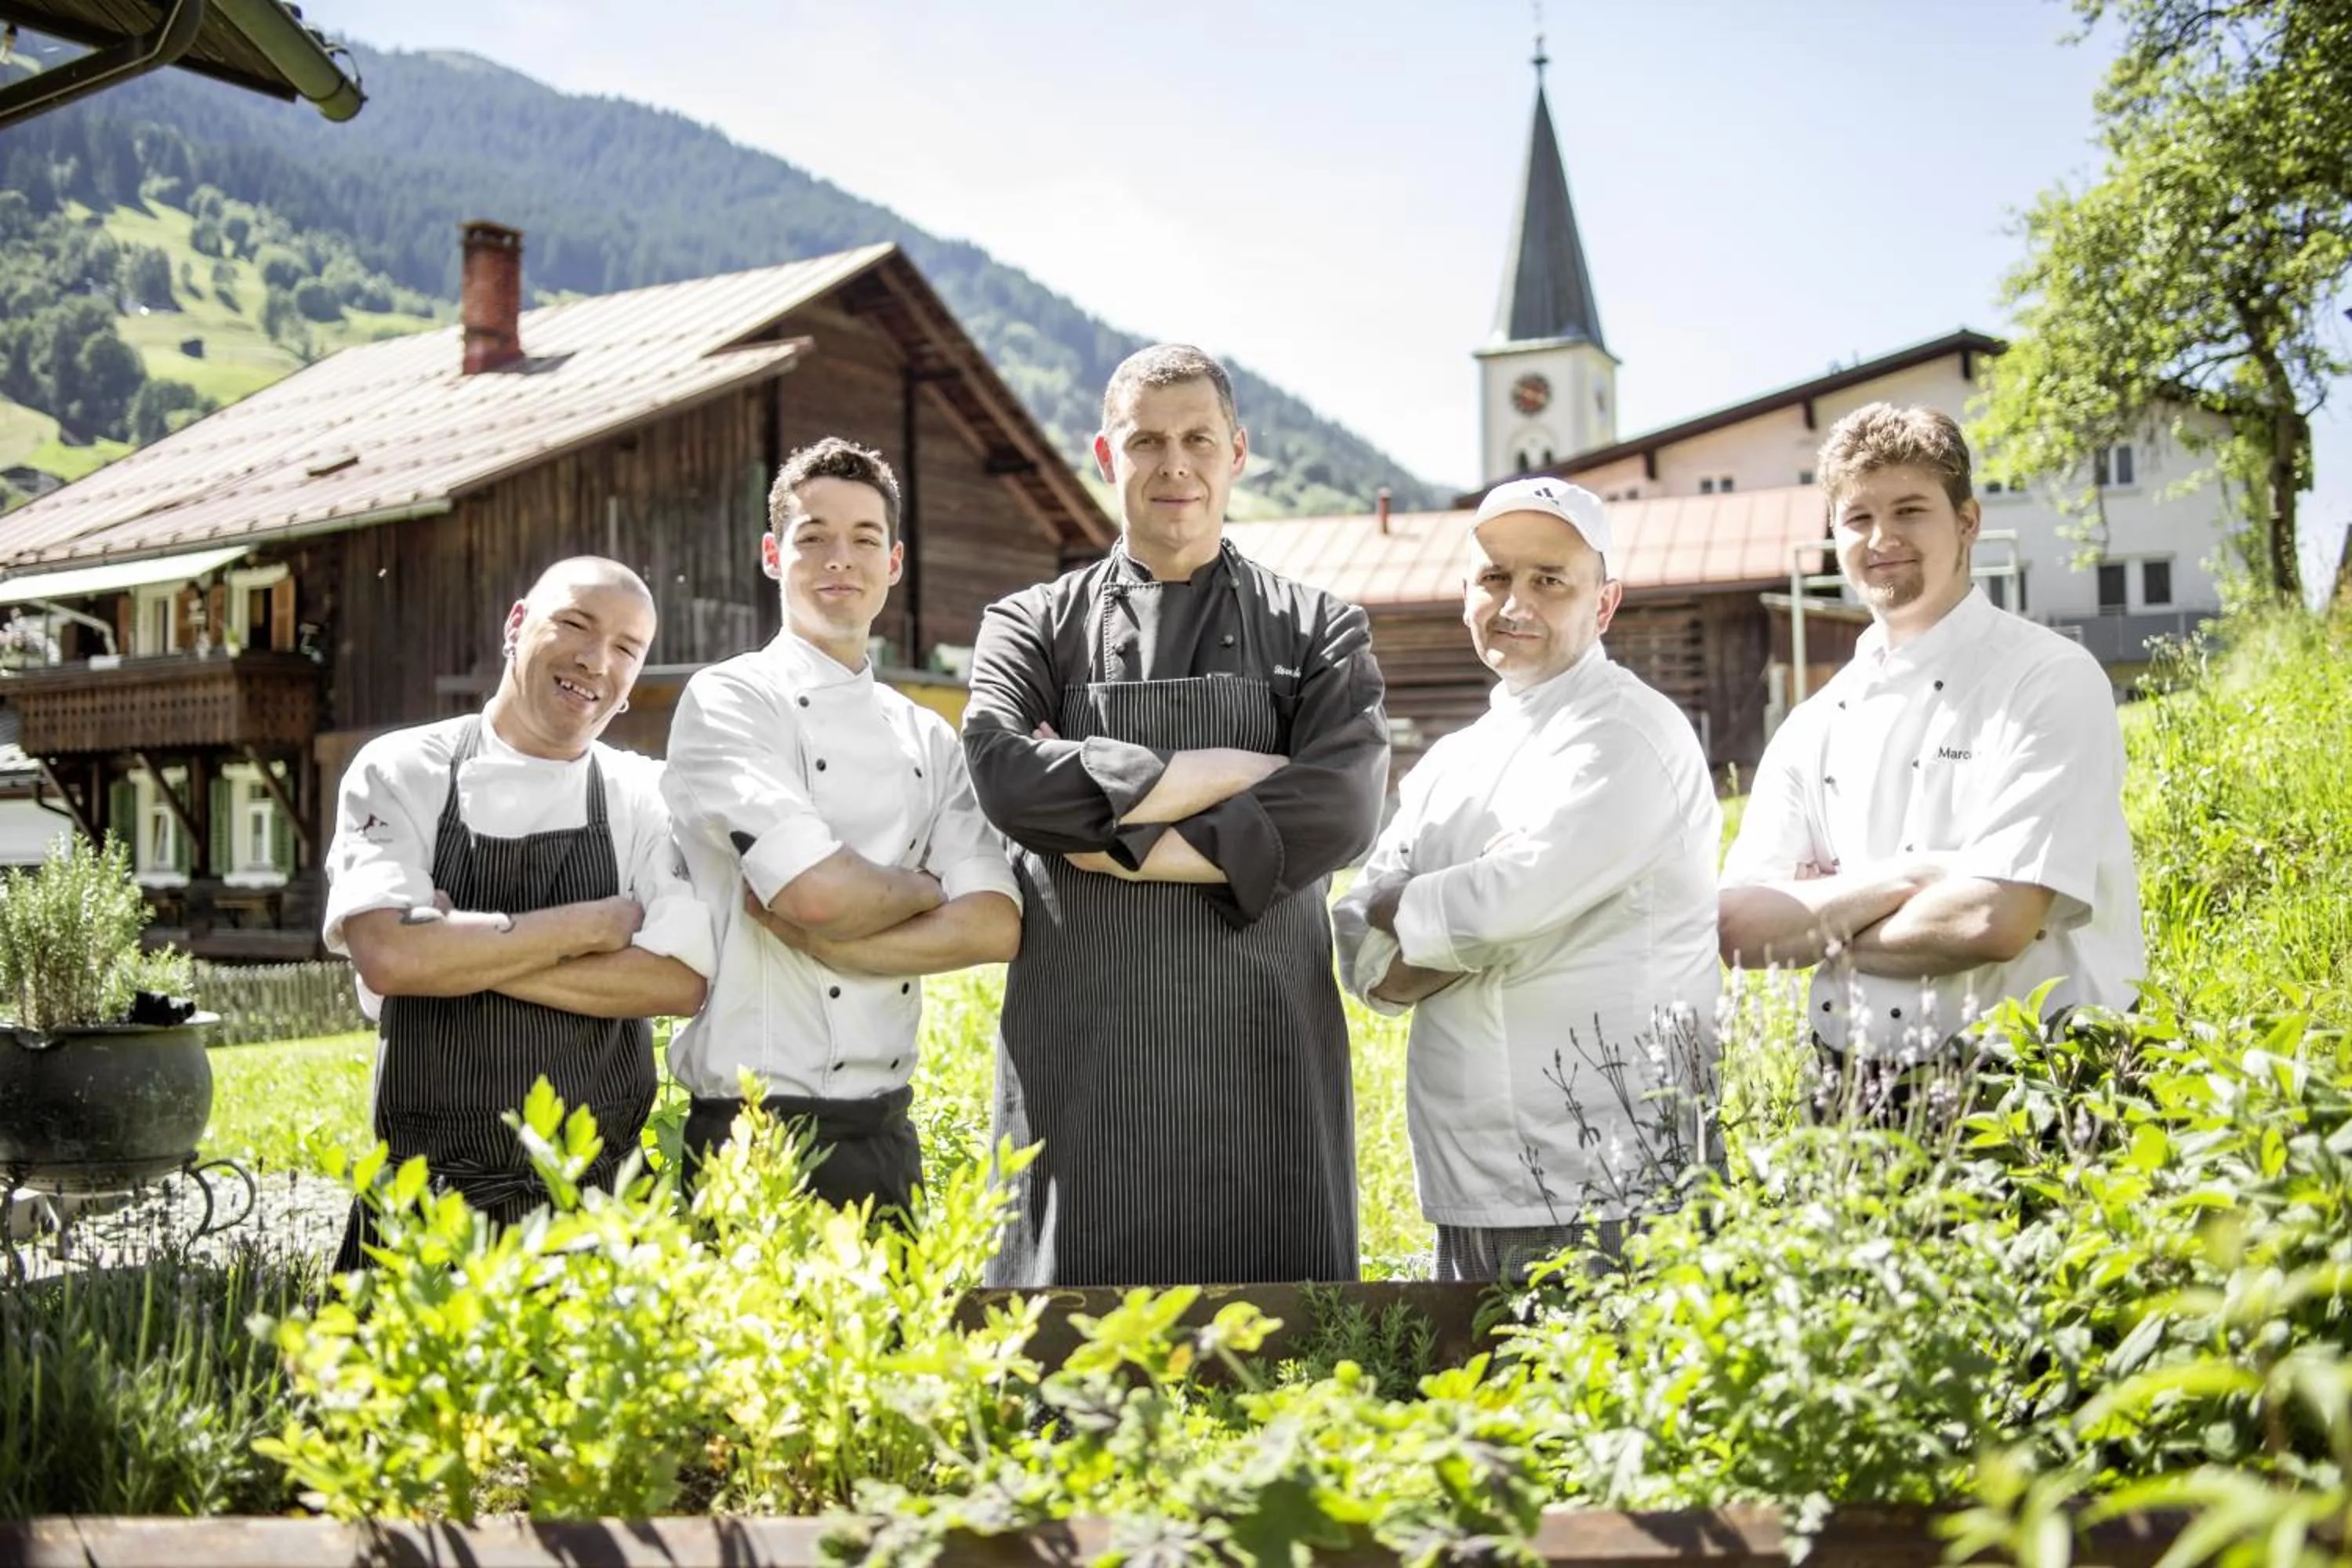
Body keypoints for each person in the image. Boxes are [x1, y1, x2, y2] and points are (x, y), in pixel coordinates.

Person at [962, 343, 1389, 1287]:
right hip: (1083, 1056)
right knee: (1074, 1377)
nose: (1175, 463)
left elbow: (1344, 803)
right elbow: (1007, 776)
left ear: (1238, 452)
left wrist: (1134, 850)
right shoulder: (1030, 623)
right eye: (1146, 440)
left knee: (1286, 1363)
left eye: (1198, 437)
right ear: (1107, 457)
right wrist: (1224, 768)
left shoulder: (1319, 627)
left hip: (1264, 1054)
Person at [1332, 478, 1721, 1283]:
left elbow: (1507, 903)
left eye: (1549, 579)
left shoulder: (1629, 734)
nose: (1515, 600)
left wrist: (1424, 908)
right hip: (1465, 1180)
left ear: (1604, 603)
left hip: (1614, 1179)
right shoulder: (1451, 759)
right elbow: (1359, 944)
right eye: (1493, 577)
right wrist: (1462, 922)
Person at [1718, 403, 2143, 1092]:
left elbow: (1992, 919)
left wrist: (1819, 925)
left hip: (2036, 1086)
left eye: (1910, 510)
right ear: (1835, 534)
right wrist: (1913, 881)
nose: (1882, 537)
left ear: (1967, 521)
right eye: (1858, 518)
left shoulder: (2049, 679)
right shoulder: (1813, 722)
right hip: (1849, 1089)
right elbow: (1740, 929)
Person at [662, 437, 1021, 1215]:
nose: (840, 560)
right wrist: (929, 889)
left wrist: (832, 940)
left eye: (864, 539)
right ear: (772, 554)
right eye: (813, 536)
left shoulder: (927, 734)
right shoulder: (729, 699)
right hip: (749, 1136)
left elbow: (994, 922)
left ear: (893, 563)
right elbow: (814, 891)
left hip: (887, 1134)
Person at [324, 557, 715, 1269]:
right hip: (427, 1206)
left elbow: (677, 984)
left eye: (627, 649)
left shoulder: (644, 794)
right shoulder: (404, 769)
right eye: (575, 623)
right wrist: (586, 930)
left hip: (603, 1209)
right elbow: (388, 954)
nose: (597, 660)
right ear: (516, 625)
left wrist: (456, 952)